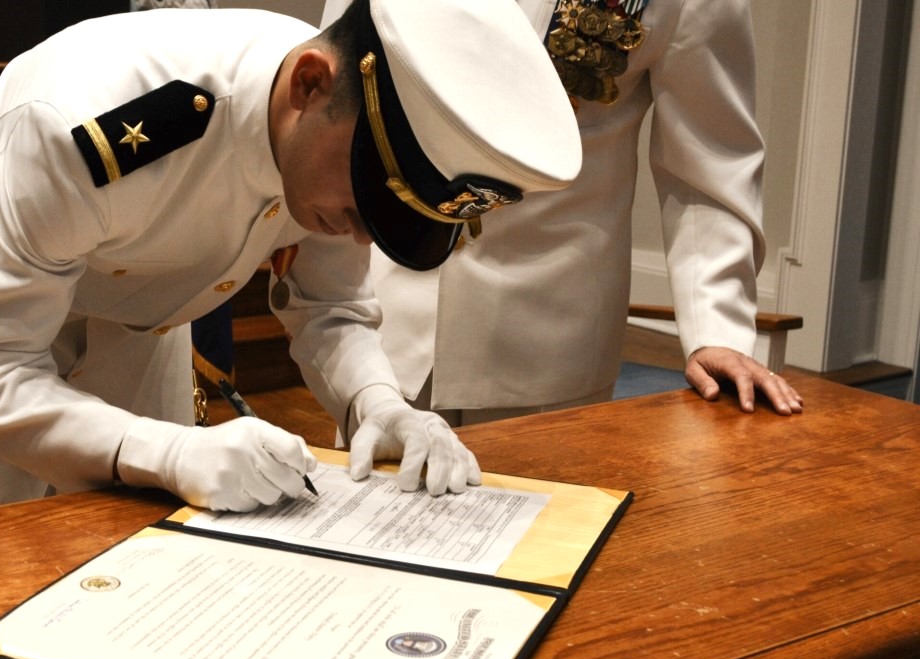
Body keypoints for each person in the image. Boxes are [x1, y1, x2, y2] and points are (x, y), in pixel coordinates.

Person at [0, 0, 582, 513]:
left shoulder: (335, 138)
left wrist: (380, 404)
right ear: (309, 84)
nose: (365, 234)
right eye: (370, 197)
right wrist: (171, 450)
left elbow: (329, 307)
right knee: (7, 550)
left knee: (139, 545)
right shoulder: (80, 124)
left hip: (140, 319)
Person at [320, 0, 804, 424]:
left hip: (549, 342)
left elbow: (708, 164)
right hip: (386, 316)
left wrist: (716, 331)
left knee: (553, 526)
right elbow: (335, 83)